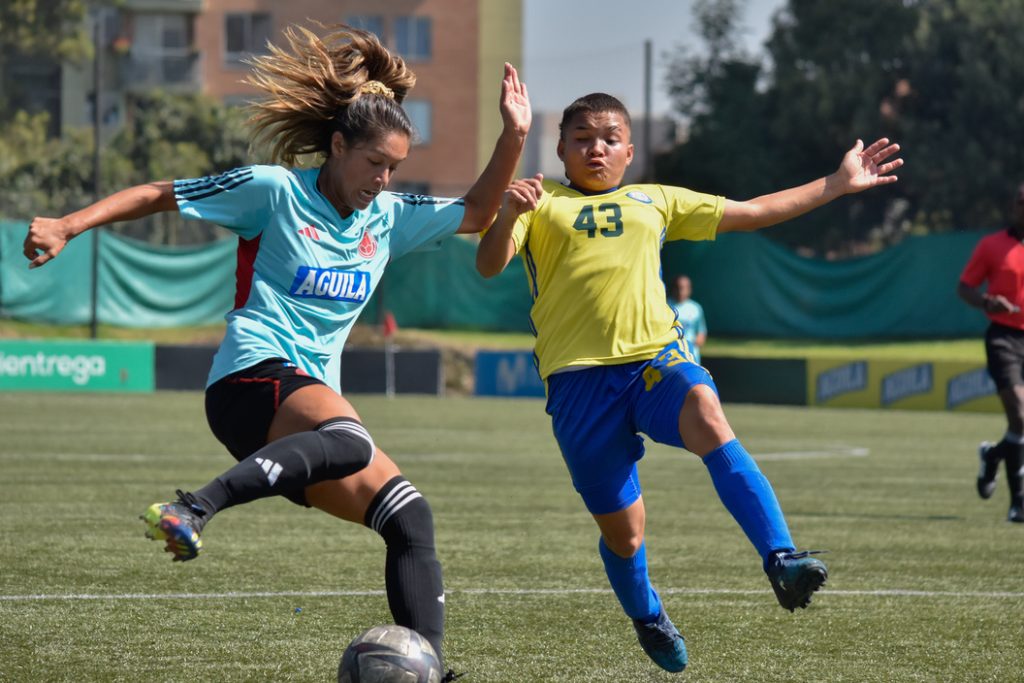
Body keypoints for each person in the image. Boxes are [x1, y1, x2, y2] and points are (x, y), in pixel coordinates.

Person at [22, 24, 531, 677]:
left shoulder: (387, 219)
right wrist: (67, 224)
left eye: (394, 167)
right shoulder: (274, 191)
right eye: (374, 161)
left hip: (306, 422)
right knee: (350, 438)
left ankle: (427, 668)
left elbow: (478, 212)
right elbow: (159, 193)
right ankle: (193, 506)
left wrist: (514, 135)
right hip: (248, 380)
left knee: (410, 517)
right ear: (339, 145)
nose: (383, 177)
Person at [476, 92, 902, 673]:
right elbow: (488, 263)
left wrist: (836, 181)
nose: (594, 148)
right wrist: (506, 214)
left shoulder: (656, 200)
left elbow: (754, 212)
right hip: (578, 389)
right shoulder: (540, 200)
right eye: (580, 138)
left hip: (655, 363)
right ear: (560, 149)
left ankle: (782, 558)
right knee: (625, 536)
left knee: (706, 408)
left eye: (608, 138)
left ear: (630, 151)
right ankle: (647, 614)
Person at [957, 181, 1024, 524]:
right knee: (1020, 413)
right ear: (1014, 206)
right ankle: (1019, 503)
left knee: (1020, 424)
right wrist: (986, 301)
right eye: (1020, 202)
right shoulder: (993, 246)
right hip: (1004, 337)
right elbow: (964, 288)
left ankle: (994, 455)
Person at [669, 274, 707, 364]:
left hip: (692, 356)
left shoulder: (695, 308)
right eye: (678, 288)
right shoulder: (666, 306)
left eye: (684, 288)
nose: (680, 291)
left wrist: (694, 344)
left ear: (689, 290)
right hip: (671, 356)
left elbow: (701, 331)